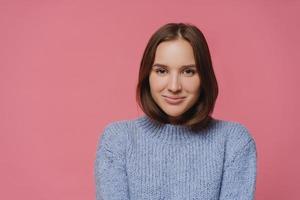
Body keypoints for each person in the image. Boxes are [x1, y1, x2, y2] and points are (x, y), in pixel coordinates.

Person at [94, 22, 257, 200]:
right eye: (162, 71)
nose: (174, 87)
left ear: (204, 77)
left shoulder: (233, 142)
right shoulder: (118, 140)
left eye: (188, 71)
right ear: (147, 75)